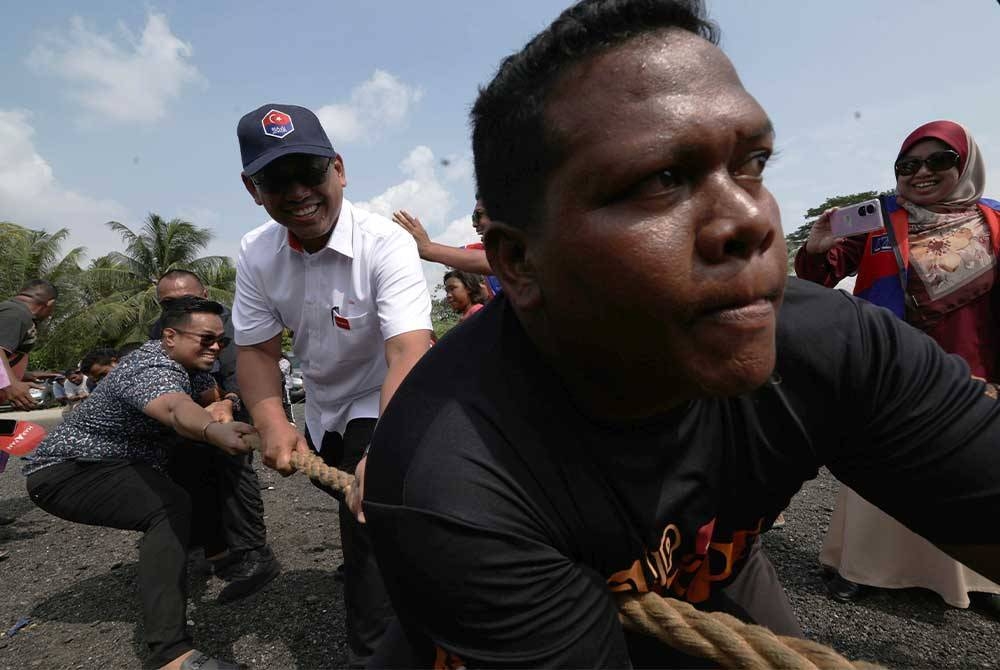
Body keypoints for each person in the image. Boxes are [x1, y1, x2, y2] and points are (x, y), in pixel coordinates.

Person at [359, 1, 1000, 667]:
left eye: (752, 163)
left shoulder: (825, 343)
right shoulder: (455, 477)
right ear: (519, 262)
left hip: (712, 572)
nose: (752, 218)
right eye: (662, 180)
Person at [232, 103, 433, 666]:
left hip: (386, 395)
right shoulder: (255, 252)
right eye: (276, 179)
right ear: (253, 189)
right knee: (351, 493)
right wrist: (272, 421)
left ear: (339, 169)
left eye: (310, 172)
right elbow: (256, 349)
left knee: (368, 520)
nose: (298, 192)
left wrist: (388, 449)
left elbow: (408, 350)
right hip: (322, 407)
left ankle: (376, 653)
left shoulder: (384, 243)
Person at [795, 120, 1000, 615]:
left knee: (969, 468)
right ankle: (861, 569)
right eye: (908, 165)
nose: (921, 173)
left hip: (973, 364)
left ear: (967, 165)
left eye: (938, 161)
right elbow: (821, 273)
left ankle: (979, 582)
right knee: (880, 462)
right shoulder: (879, 219)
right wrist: (818, 245)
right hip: (889, 368)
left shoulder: (994, 221)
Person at [24, 297, 255, 670]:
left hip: (125, 462)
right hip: (68, 470)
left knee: (199, 456)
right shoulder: (150, 365)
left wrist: (222, 409)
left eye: (221, 342)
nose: (215, 348)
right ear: (169, 336)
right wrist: (213, 429)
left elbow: (209, 398)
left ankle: (214, 553)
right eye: (206, 339)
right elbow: (176, 410)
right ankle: (171, 655)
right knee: (168, 506)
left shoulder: (190, 366)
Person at [152, 270, 280, 602]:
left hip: (232, 405)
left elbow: (245, 372)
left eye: (189, 300)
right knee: (186, 475)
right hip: (185, 414)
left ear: (206, 294)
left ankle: (254, 551)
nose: (181, 306)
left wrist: (229, 402)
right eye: (169, 303)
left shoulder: (231, 324)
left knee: (233, 471)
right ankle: (208, 547)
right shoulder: (160, 330)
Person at [393, 199, 503, 297]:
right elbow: (454, 255)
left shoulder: (515, 252)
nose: (474, 224)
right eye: (473, 218)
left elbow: (490, 260)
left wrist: (429, 249)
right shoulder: (478, 249)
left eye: (478, 215)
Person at [0, 280, 57, 410]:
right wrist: (11, 384)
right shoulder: (15, 313)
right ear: (50, 303)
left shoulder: (15, 312)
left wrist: (22, 375)